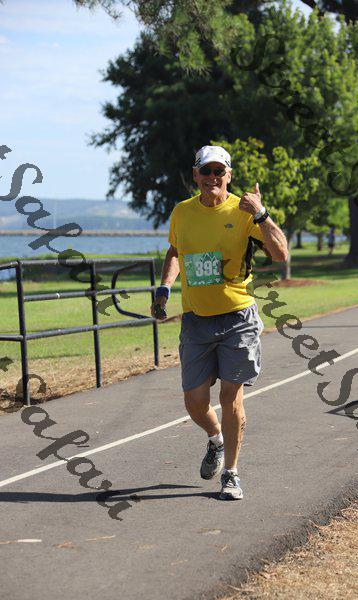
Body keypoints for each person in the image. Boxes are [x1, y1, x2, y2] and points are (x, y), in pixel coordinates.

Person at [150, 145, 288, 500]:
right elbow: (175, 252)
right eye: (206, 171)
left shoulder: (244, 212)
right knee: (195, 402)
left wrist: (261, 214)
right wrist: (164, 289)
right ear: (195, 175)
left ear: (229, 176)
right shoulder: (182, 212)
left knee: (231, 398)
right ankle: (216, 439)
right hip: (196, 320)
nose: (212, 178)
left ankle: (231, 473)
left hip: (238, 317)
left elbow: (281, 253)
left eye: (219, 172)